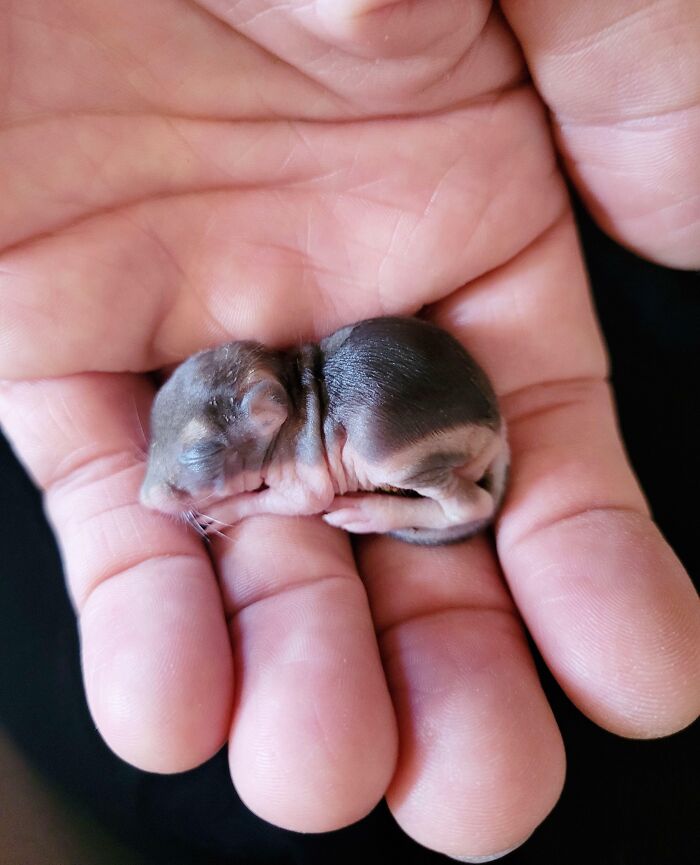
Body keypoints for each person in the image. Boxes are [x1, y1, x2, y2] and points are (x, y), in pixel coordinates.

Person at [0, 2, 698, 862]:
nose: (163, 493)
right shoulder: (251, 391)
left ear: (266, 416)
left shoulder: (291, 436)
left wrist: (268, 508)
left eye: (190, 474)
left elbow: (310, 488)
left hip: (456, 416)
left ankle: (448, 507)